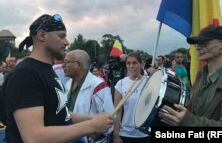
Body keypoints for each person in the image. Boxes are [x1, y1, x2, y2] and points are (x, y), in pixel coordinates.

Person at [2, 14, 113, 143]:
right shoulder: (25, 74)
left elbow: (61, 114)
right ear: (42, 35)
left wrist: (93, 119)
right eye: (61, 36)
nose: (67, 42)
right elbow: (34, 137)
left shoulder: (48, 70)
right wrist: (91, 126)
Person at [159, 26, 222, 126]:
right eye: (197, 43)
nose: (197, 47)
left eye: (205, 43)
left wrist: (188, 121)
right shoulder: (202, 74)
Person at [63, 49, 114, 143]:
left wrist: (93, 136)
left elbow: (110, 118)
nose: (63, 65)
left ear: (78, 64)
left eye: (66, 62)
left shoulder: (99, 85)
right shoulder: (68, 84)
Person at [113, 52, 150, 143]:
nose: (131, 66)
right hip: (125, 133)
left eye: (134, 63)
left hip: (145, 133)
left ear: (141, 64)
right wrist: (116, 135)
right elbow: (117, 111)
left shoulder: (149, 82)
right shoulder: (121, 84)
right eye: (128, 63)